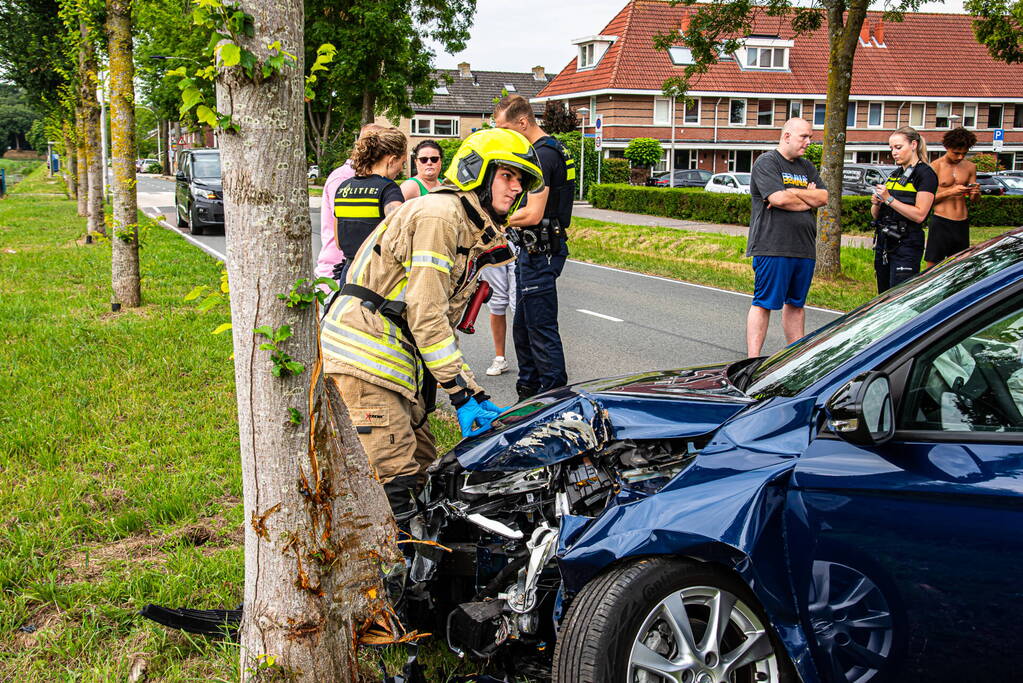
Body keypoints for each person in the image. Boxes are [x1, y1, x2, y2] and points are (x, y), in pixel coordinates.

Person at [320, 128, 544, 521]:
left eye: (521, 181)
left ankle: (423, 565)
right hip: (365, 363)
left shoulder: (467, 226)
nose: (515, 189)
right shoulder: (440, 217)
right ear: (479, 172)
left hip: (394, 364)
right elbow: (425, 313)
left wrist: (473, 392)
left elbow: (435, 323)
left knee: (428, 468)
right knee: (394, 482)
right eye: (507, 176)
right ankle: (391, 574)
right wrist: (459, 394)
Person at [494, 94, 576, 401]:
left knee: (540, 331)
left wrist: (493, 222)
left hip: (540, 250)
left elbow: (533, 213)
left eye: (504, 128)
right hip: (535, 249)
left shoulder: (541, 156)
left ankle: (554, 399)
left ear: (523, 122)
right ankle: (527, 395)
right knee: (524, 328)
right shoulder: (552, 148)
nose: (502, 134)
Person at [745, 118, 828, 358]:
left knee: (796, 305)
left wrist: (792, 192)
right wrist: (805, 197)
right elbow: (778, 199)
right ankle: (752, 360)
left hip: (803, 248)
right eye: (804, 137)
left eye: (810, 137)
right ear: (787, 136)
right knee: (764, 302)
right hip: (773, 246)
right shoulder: (767, 162)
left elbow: (823, 197)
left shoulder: (807, 167)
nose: (808, 142)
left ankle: (795, 359)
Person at [331, 127, 406, 283]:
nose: (401, 169)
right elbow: (401, 234)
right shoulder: (389, 189)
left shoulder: (344, 187)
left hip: (349, 273)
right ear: (391, 160)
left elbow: (339, 243)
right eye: (402, 163)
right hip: (377, 276)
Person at [871, 126, 938, 293]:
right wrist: (877, 203)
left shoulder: (925, 174)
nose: (894, 152)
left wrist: (889, 199)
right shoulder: (895, 174)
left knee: (898, 296)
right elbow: (875, 215)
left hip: (906, 245)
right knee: (883, 297)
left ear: (913, 145)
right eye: (891, 148)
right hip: (885, 242)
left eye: (898, 147)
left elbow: (920, 215)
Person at [315, 123, 383, 287]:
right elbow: (349, 226)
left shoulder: (373, 178)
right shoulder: (343, 178)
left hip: (360, 268)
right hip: (338, 270)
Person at [926, 127, 980, 269]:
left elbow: (974, 201)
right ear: (946, 147)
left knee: (959, 265)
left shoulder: (970, 167)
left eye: (964, 153)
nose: (960, 157)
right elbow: (927, 201)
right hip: (941, 221)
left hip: (962, 221)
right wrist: (950, 192)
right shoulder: (935, 167)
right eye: (956, 153)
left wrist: (975, 193)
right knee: (933, 265)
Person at [479, 253, 517, 376]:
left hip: (518, 244)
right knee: (496, 302)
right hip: (491, 243)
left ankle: (531, 360)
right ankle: (500, 358)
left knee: (519, 303)